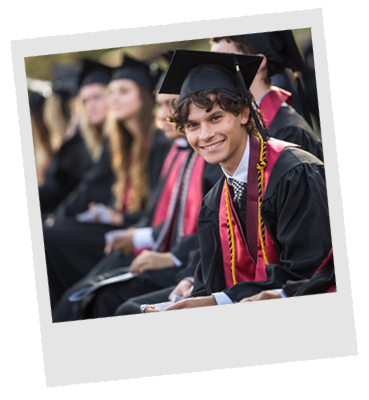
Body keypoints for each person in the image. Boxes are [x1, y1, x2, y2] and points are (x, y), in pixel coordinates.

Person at [141, 48, 333, 313]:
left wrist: (217, 299)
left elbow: (312, 272)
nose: (205, 134)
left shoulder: (294, 174)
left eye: (215, 118)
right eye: (193, 125)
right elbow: (209, 283)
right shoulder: (214, 202)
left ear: (243, 113)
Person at [51, 86, 222, 322]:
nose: (163, 115)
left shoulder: (193, 153)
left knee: (102, 295)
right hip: (170, 248)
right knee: (83, 288)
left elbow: (212, 228)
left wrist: (153, 244)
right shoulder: (177, 151)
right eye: (160, 105)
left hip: (188, 258)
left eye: (171, 105)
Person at [43, 55, 167, 313]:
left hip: (137, 231)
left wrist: (120, 216)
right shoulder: (120, 144)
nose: (114, 99)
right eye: (111, 92)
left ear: (145, 96)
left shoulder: (160, 144)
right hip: (120, 226)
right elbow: (90, 189)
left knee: (50, 239)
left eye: (123, 91)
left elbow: (159, 211)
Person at [210, 30, 325, 161]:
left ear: (258, 62)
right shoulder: (247, 122)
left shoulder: (289, 132)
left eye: (225, 60)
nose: (217, 71)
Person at [37, 64, 95, 216]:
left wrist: (57, 218)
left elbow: (62, 188)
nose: (88, 108)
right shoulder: (70, 141)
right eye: (84, 102)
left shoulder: (80, 145)